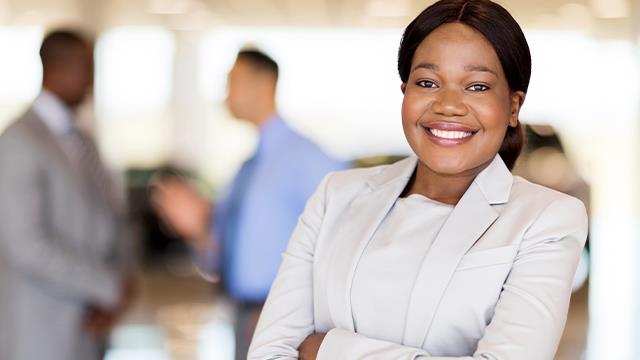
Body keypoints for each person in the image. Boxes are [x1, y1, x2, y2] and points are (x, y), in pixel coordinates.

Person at [247, 1, 588, 359]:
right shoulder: (336, 196)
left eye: (477, 87)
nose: (448, 105)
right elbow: (268, 352)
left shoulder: (547, 219)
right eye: (427, 82)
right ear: (405, 93)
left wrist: (328, 349)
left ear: (514, 107)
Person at [152, 49, 346, 360]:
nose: (225, 96)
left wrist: (289, 318)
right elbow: (221, 253)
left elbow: (344, 243)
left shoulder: (308, 159)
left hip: (286, 321)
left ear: (265, 84)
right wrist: (196, 226)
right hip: (245, 315)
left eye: (233, 82)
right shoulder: (246, 169)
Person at [0, 30, 133, 360]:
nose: (92, 80)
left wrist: (120, 283)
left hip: (89, 326)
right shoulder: (18, 141)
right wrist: (108, 286)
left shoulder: (82, 139)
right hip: (39, 332)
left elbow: (110, 219)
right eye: (88, 67)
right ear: (60, 67)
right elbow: (27, 245)